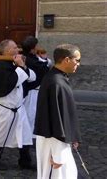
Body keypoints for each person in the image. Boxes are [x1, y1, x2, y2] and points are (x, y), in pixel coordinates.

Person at [0, 39, 36, 171]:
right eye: (14, 47)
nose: (17, 50)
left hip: (19, 108)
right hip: (6, 108)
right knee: (0, 135)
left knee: (25, 134)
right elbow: (12, 82)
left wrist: (22, 66)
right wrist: (19, 67)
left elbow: (32, 77)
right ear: (8, 51)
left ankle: (25, 161)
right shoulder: (1, 66)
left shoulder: (14, 63)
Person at [34, 44, 82, 179]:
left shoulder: (58, 78)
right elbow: (54, 118)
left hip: (60, 142)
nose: (78, 64)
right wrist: (58, 154)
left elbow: (65, 114)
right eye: (77, 60)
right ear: (66, 59)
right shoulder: (56, 82)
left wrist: (73, 136)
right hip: (53, 143)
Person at [21, 36, 51, 134]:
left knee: (34, 112)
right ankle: (28, 135)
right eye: (36, 46)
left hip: (36, 90)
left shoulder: (32, 57)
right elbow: (43, 68)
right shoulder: (29, 59)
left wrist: (43, 59)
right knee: (31, 113)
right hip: (32, 91)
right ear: (32, 49)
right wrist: (45, 60)